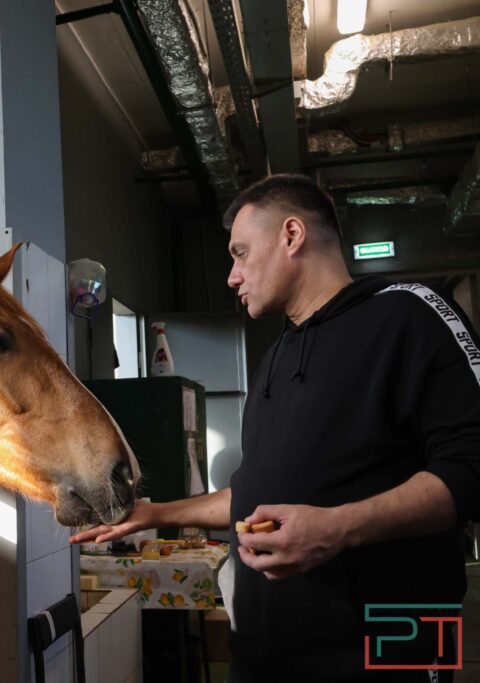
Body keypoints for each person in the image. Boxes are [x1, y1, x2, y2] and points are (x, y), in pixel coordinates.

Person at [70, 174, 480, 682]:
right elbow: (253, 492)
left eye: (240, 253)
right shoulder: (275, 360)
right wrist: (156, 512)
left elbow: (471, 468)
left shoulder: (409, 313)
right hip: (269, 654)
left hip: (388, 645)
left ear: (291, 235)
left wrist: (338, 529)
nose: (231, 276)